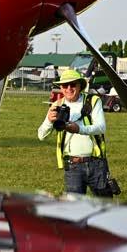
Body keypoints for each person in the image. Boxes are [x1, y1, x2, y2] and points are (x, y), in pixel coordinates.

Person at [38, 69, 114, 197]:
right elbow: (41, 135)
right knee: (74, 207)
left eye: (73, 84)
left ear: (80, 86)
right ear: (61, 88)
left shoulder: (93, 101)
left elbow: (101, 128)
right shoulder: (57, 105)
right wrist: (50, 122)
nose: (69, 88)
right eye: (65, 85)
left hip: (96, 163)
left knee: (104, 205)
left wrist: (79, 129)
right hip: (72, 166)